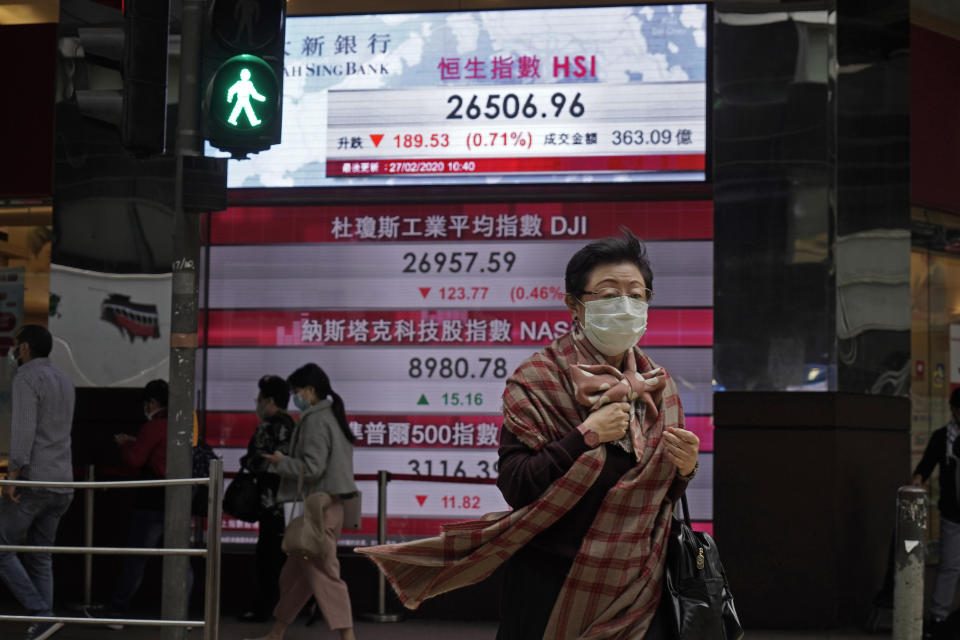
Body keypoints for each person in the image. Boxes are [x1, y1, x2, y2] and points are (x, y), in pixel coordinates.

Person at [358, 229, 700, 639]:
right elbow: (517, 485)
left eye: (636, 294)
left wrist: (683, 469)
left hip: (640, 582)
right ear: (574, 305)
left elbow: (656, 496)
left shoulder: (659, 386)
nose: (625, 306)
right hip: (552, 582)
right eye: (609, 294)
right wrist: (585, 436)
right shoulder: (538, 380)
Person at [243, 363, 358, 640]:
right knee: (296, 577)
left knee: (323, 575)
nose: (294, 397)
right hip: (327, 507)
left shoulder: (316, 420)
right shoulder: (332, 415)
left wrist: (282, 463)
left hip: (315, 509)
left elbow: (313, 468)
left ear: (309, 390)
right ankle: (277, 632)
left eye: (296, 391)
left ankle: (348, 636)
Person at [86, 379, 183, 628]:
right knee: (182, 557)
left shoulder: (154, 426)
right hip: (178, 498)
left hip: (152, 500)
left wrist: (126, 444)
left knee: (136, 558)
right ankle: (183, 615)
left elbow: (135, 460)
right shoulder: (181, 424)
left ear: (151, 403)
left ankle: (118, 611)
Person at [0, 325, 75, 640]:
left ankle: (41, 613)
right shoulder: (64, 379)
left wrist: (12, 476)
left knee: (2, 547)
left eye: (17, 346)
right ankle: (45, 623)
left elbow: (23, 432)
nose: (14, 352)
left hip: (36, 480)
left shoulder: (26, 378)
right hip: (64, 481)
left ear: (26, 348)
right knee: (41, 555)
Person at [238, 375, 295, 622]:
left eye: (259, 399)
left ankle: (263, 608)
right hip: (290, 502)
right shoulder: (293, 425)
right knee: (286, 557)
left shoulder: (268, 425)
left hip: (269, 502)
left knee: (267, 557)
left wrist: (247, 461)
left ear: (269, 400)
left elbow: (255, 460)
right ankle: (291, 607)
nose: (258, 403)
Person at [915, 387, 960, 639]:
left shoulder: (944, 438)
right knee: (950, 566)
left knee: (949, 567)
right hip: (952, 513)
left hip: (951, 511)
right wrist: (917, 483)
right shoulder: (942, 438)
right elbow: (924, 468)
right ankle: (939, 618)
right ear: (954, 410)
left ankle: (942, 617)